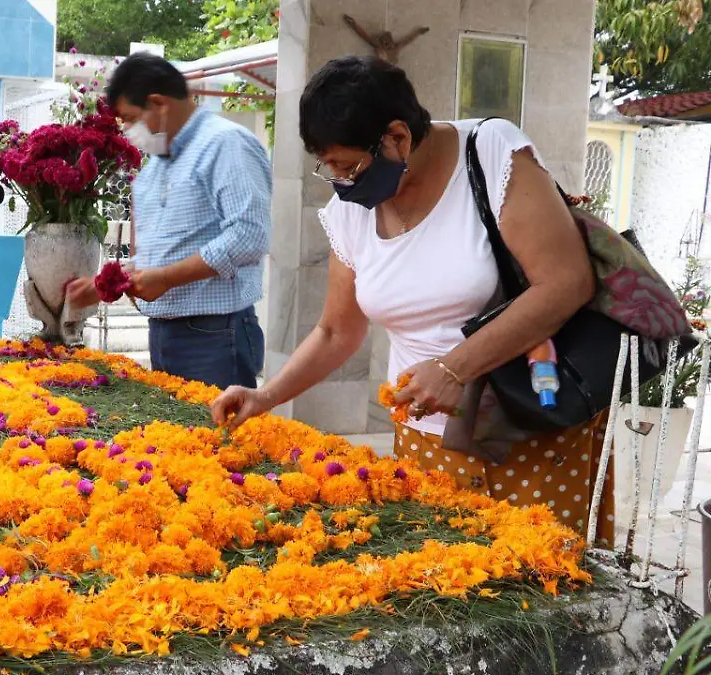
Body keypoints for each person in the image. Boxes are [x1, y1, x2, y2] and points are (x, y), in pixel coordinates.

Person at [210, 56, 614, 541]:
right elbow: (337, 330)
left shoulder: (489, 154)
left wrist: (453, 369)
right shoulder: (351, 209)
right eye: (329, 168)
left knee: (544, 589)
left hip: (530, 427)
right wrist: (266, 394)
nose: (340, 180)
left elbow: (567, 282)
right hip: (427, 443)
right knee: (442, 592)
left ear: (397, 137)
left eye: (349, 164)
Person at [68, 52, 272, 389]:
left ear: (158, 104)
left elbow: (249, 235)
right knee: (178, 440)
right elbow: (156, 259)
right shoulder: (154, 170)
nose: (128, 131)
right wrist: (108, 283)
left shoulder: (225, 144)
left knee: (215, 439)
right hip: (163, 332)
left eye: (131, 118)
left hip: (216, 334)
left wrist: (166, 277)